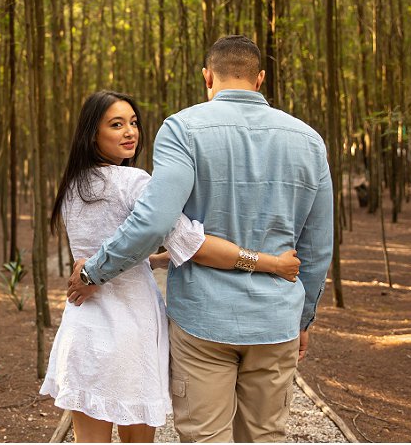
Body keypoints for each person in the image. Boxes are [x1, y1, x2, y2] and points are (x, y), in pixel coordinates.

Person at [68, 36, 333, 443]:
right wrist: (302, 319)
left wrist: (94, 272)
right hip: (276, 320)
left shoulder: (182, 128)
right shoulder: (309, 141)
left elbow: (155, 222)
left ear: (207, 76)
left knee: (204, 437)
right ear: (260, 79)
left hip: (203, 322)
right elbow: (317, 247)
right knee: (265, 435)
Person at [40, 90, 302, 443]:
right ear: (92, 134)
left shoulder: (72, 186)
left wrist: (157, 259)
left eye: (133, 123)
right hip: (129, 328)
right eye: (116, 125)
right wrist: (270, 263)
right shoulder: (135, 183)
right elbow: (195, 246)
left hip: (83, 323)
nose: (130, 132)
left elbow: (111, 250)